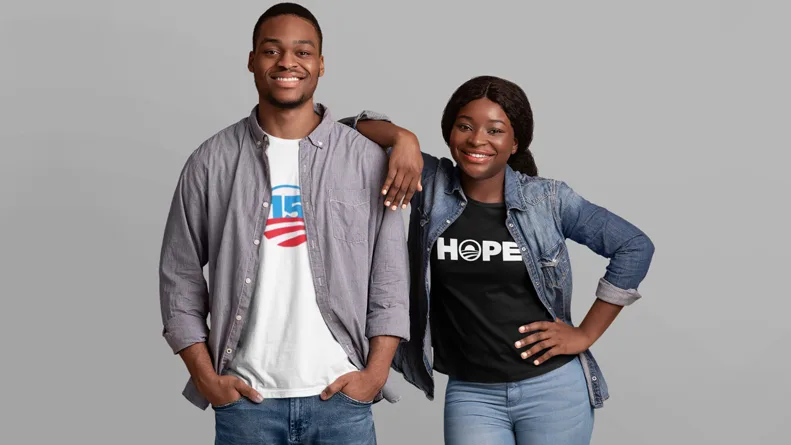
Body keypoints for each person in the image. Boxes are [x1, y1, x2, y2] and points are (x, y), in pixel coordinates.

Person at [343, 75, 655, 445]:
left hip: (553, 390)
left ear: (515, 141)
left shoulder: (547, 200)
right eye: (465, 126)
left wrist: (585, 334)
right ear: (449, 132)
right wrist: (403, 138)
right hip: (473, 393)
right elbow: (346, 131)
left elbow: (634, 246)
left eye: (495, 130)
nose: (477, 140)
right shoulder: (430, 183)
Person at [158, 3, 414, 444]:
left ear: (320, 64)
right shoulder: (210, 162)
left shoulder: (368, 161)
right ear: (252, 60)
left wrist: (373, 376)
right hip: (246, 404)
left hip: (342, 400)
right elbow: (179, 278)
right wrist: (205, 378)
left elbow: (390, 280)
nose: (287, 63)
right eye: (272, 50)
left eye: (303, 51)